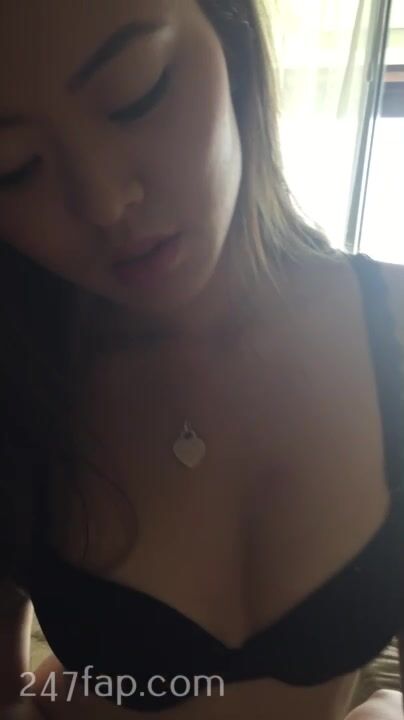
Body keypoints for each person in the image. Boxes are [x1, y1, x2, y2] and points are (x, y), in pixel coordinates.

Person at [0, 1, 403, 718]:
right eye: (14, 168)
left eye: (137, 93)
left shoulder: (392, 331)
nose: (104, 202)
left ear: (231, 37)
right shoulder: (20, 386)